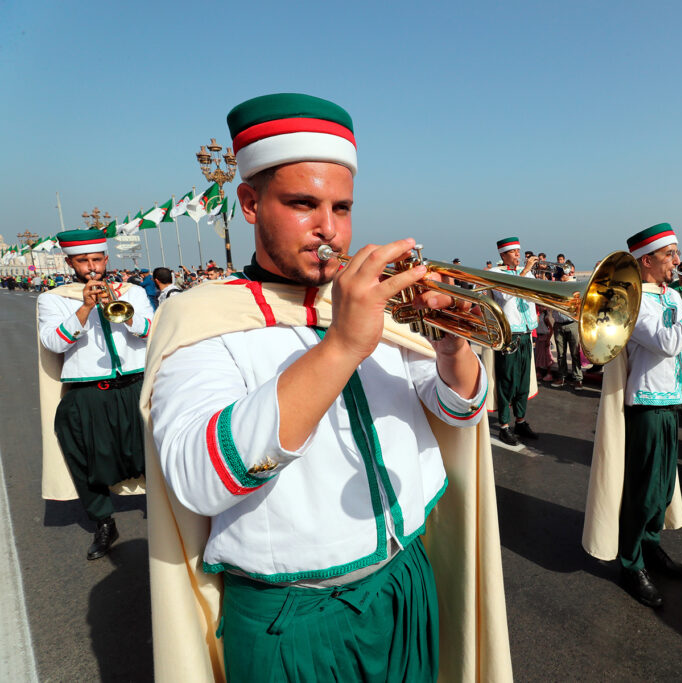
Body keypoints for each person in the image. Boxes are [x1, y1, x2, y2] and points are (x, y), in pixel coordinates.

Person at [144, 93, 511, 682]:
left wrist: (450, 345)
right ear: (250, 204)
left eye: (342, 208)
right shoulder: (199, 318)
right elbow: (198, 479)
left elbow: (459, 412)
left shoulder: (370, 300)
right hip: (292, 618)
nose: (329, 229)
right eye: (302, 204)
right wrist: (341, 345)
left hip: (404, 581)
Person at [582, 223, 682, 608]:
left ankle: (650, 543)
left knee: (661, 488)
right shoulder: (633, 302)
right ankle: (631, 563)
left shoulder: (673, 296)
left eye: (676, 253)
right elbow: (667, 342)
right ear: (646, 261)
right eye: (669, 255)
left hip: (671, 401)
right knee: (643, 492)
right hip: (646, 405)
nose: (677, 261)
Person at [36, 229, 154, 559]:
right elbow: (53, 343)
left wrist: (124, 311)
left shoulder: (131, 291)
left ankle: (171, 516)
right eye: (83, 261)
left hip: (136, 386)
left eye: (97, 260)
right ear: (70, 263)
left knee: (156, 453)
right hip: (89, 391)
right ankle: (103, 522)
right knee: (85, 458)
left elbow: (151, 330)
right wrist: (85, 308)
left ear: (106, 259)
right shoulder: (53, 299)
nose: (92, 267)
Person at [488, 237, 540, 446]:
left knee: (523, 381)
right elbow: (505, 296)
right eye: (513, 252)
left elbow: (536, 296)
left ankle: (520, 421)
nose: (518, 254)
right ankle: (503, 426)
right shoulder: (496, 273)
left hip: (526, 332)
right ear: (503, 255)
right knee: (507, 381)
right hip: (510, 334)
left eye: (519, 250)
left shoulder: (527, 273)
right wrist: (525, 272)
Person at [550, 265, 584, 389]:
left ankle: (578, 379)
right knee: (560, 354)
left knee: (575, 353)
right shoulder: (554, 287)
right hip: (558, 324)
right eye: (557, 277)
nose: (558, 279)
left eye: (560, 277)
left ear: (566, 275)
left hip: (572, 324)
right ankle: (562, 377)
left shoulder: (573, 286)